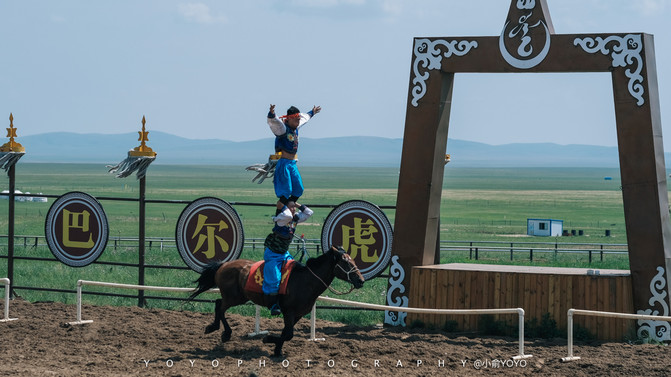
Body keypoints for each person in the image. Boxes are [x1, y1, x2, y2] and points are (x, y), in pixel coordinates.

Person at [267, 104, 321, 214]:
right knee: (285, 191)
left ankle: (288, 209)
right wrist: (272, 113)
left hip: (292, 164)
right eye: (296, 120)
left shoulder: (296, 126)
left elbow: (305, 117)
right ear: (289, 119)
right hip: (284, 164)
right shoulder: (282, 129)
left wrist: (313, 112)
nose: (298, 122)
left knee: (298, 189)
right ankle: (279, 217)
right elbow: (274, 122)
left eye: (298, 120)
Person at [262, 201, 313, 315]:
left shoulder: (294, 219)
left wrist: (297, 204)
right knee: (274, 278)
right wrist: (282, 205)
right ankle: (273, 304)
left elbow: (309, 213)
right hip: (272, 255)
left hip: (284, 254)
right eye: (291, 207)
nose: (294, 209)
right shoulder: (282, 218)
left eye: (294, 207)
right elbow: (287, 215)